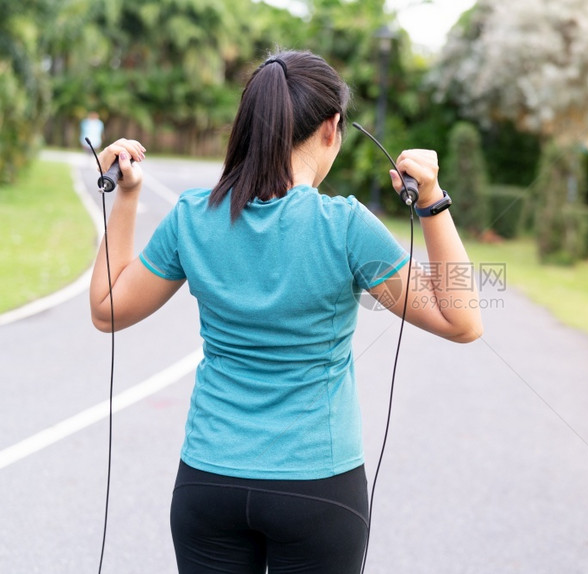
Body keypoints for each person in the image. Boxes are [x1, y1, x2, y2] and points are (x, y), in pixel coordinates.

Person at [89, 49, 483, 574]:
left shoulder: (192, 217)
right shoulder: (344, 226)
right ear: (331, 128)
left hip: (209, 484)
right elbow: (462, 319)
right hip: (318, 489)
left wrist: (127, 197)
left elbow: (107, 310)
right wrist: (431, 201)